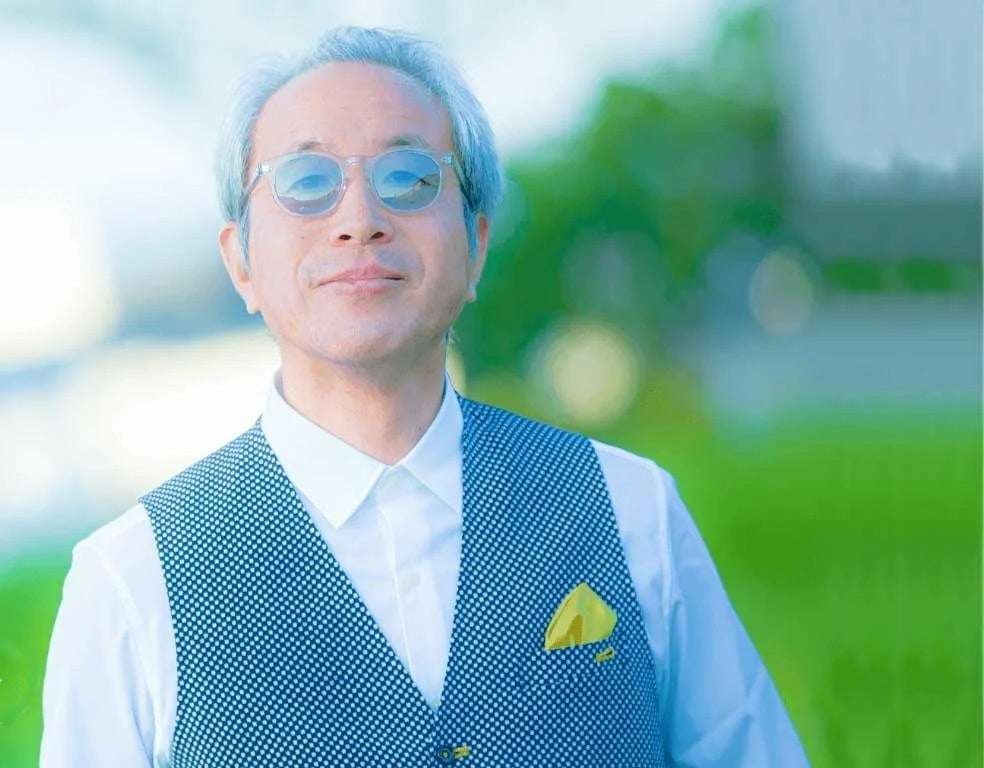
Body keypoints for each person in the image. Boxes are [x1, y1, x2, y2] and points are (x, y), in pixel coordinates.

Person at [41, 26, 809, 767]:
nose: (360, 221)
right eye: (306, 182)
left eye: (408, 178)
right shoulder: (131, 583)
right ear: (240, 262)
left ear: (475, 245)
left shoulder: (630, 510)